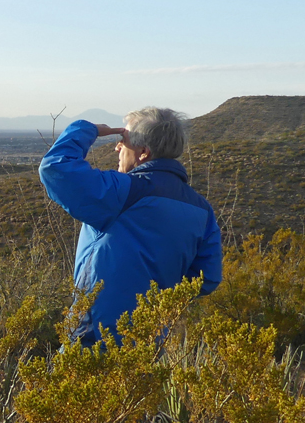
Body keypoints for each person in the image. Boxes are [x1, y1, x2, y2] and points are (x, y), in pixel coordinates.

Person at [38, 107, 222, 346]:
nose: (117, 147)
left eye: (122, 141)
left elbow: (55, 168)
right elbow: (206, 279)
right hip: (149, 340)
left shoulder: (123, 192)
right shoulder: (202, 210)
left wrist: (88, 130)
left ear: (143, 153)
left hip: (94, 338)